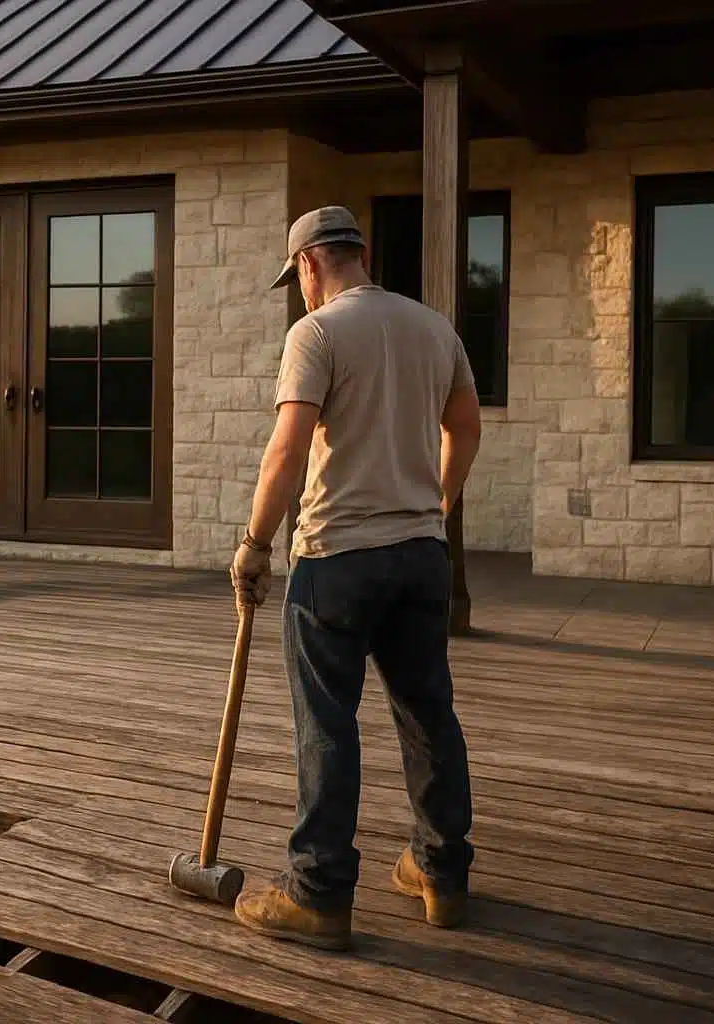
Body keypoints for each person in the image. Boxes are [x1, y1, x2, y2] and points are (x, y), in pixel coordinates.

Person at [228, 206, 482, 951]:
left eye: (297, 278)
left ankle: (318, 894)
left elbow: (289, 446)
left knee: (327, 724)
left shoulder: (318, 332)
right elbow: (465, 425)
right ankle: (440, 874)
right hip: (419, 555)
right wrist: (437, 502)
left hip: (336, 558)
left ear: (309, 263)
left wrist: (254, 544)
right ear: (360, 253)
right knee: (427, 712)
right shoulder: (435, 328)